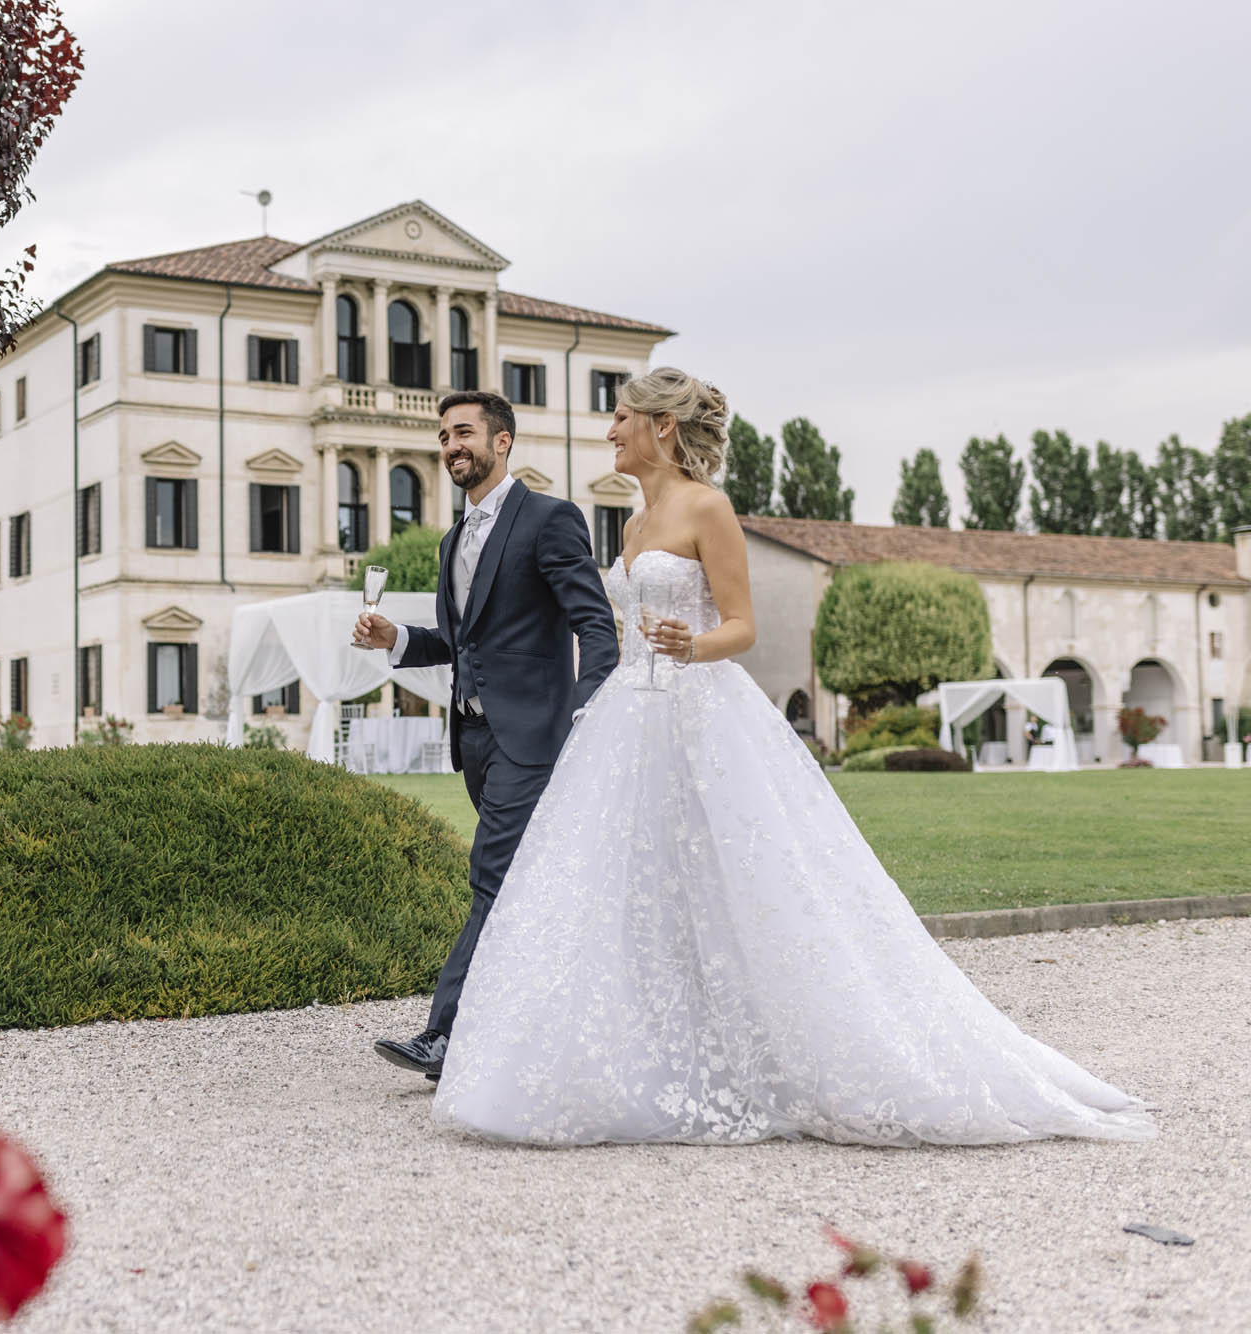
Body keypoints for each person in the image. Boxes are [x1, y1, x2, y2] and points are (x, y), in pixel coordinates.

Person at [429, 368, 1153, 1145]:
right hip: (630, 722)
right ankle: (651, 1049)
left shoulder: (708, 508)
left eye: (621, 417)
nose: (609, 430)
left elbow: (742, 627)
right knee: (633, 888)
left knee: (753, 877)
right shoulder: (634, 527)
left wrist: (692, 643)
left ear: (662, 427)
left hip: (703, 713)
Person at [353, 390, 620, 1081]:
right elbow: (462, 640)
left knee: (491, 876)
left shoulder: (550, 519)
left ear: (502, 442)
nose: (451, 446)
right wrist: (399, 638)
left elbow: (595, 625)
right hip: (472, 740)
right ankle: (554, 1019)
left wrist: (589, 713)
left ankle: (445, 1037)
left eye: (463, 432)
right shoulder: (450, 540)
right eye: (444, 436)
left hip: (533, 735)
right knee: (527, 886)